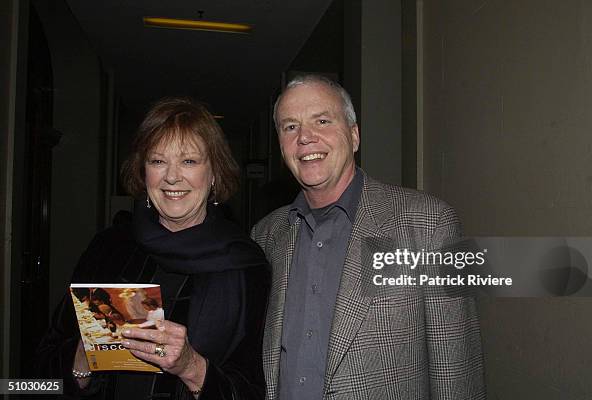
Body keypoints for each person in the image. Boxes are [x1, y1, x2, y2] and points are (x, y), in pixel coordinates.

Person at [251, 75, 486, 399]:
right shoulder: (265, 236)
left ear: (354, 135)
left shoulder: (430, 224)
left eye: (322, 120)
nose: (305, 137)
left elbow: (455, 370)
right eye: (290, 127)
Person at [37, 97, 269, 399]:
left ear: (213, 174)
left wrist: (192, 367)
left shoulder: (246, 266)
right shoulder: (108, 248)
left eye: (189, 161)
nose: (172, 176)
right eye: (158, 161)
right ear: (143, 172)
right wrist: (82, 360)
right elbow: (41, 372)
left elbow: (254, 389)